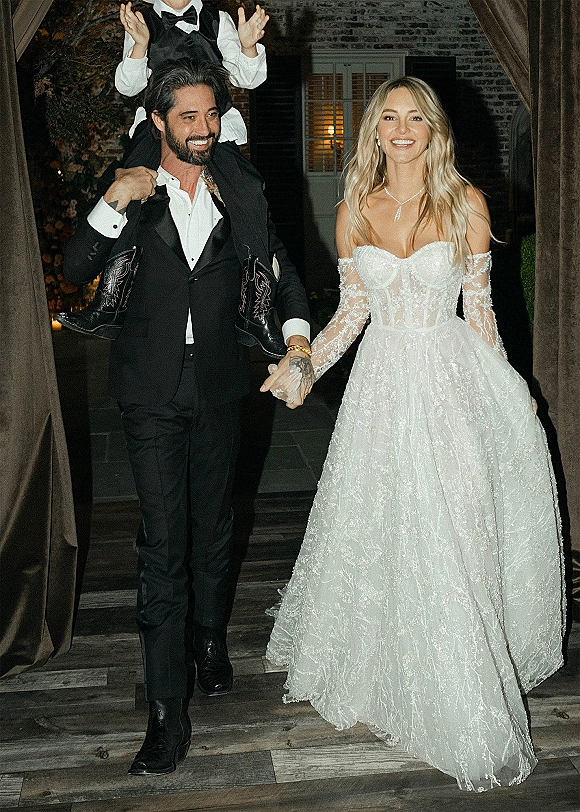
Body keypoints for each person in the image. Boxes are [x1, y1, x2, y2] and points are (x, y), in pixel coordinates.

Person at [263, 77, 565, 792]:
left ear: (434, 130)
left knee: (453, 529)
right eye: (390, 117)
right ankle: (384, 666)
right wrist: (303, 369)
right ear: (375, 130)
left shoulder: (466, 205)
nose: (402, 129)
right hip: (379, 388)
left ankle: (460, 685)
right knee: (384, 524)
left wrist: (511, 394)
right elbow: (351, 312)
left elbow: (484, 316)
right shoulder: (353, 211)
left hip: (450, 381)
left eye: (415, 118)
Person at [62, 58, 311, 776]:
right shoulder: (132, 191)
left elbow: (282, 268)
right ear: (158, 121)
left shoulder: (243, 187)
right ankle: (166, 715)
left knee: (216, 525)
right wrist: (114, 197)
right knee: (162, 546)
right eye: (188, 118)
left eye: (211, 115)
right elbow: (78, 267)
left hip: (224, 386)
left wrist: (296, 340)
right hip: (150, 392)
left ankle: (209, 640)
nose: (204, 131)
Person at [116, 0, 268, 146]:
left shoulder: (219, 19)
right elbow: (129, 87)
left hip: (211, 129)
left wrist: (248, 48)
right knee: (138, 169)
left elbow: (247, 80)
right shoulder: (141, 23)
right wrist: (140, 46)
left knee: (233, 172)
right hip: (160, 130)